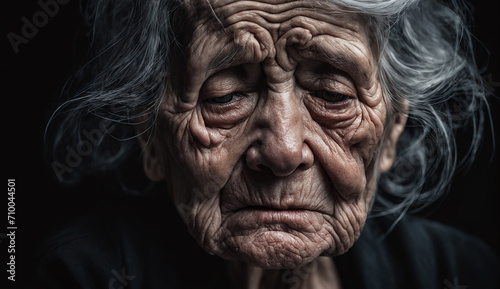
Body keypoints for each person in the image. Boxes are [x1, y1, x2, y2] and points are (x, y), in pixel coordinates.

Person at [32, 0, 498, 288]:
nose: (283, 150)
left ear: (393, 128)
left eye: (333, 96)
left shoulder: (459, 269)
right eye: (226, 96)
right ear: (150, 135)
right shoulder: (73, 276)